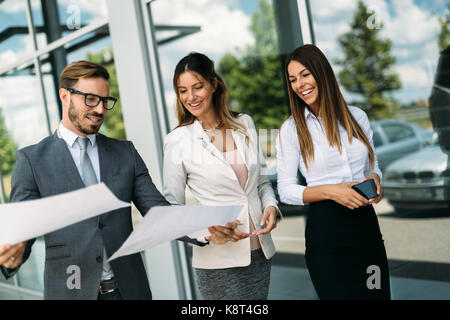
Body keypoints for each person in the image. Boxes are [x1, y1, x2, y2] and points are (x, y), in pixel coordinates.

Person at [0, 60, 236, 300]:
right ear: (65, 95)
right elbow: (22, 232)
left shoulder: (125, 153)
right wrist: (12, 254)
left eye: (105, 101)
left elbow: (160, 212)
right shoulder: (31, 161)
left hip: (130, 293)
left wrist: (206, 229)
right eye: (90, 99)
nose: (101, 110)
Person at [163, 52, 281, 300]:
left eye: (198, 87)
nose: (190, 97)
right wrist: (208, 231)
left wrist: (271, 206)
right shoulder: (178, 140)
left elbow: (260, 182)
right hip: (218, 260)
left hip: (259, 250)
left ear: (214, 84)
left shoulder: (244, 124)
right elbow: (171, 207)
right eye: (182, 90)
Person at [276, 44, 390, 300]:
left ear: (322, 73)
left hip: (366, 230)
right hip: (326, 236)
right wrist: (332, 192)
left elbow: (373, 166)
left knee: (378, 297)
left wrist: (375, 179)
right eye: (293, 79)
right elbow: (285, 190)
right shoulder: (292, 129)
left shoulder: (357, 117)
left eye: (305, 74)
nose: (299, 84)